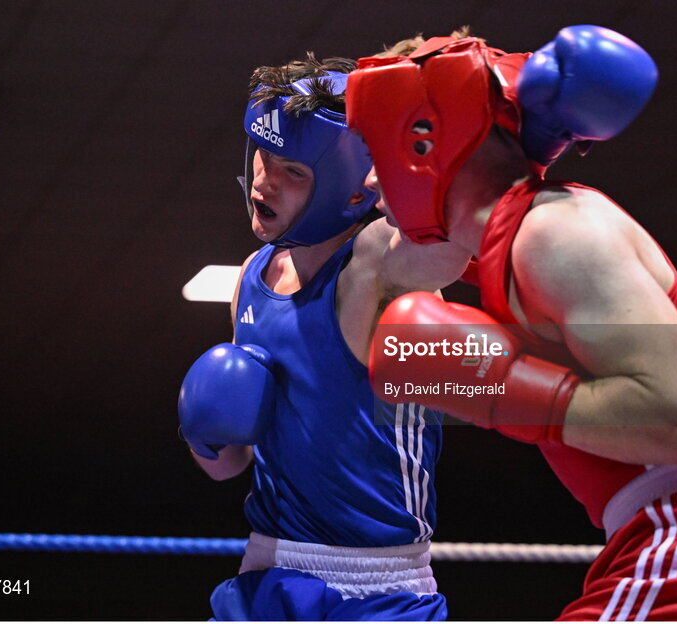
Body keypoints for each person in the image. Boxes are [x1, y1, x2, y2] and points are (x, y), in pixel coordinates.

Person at [348, 26, 677, 621]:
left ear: (423, 144)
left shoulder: (556, 234)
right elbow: (386, 294)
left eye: (377, 154)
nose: (372, 181)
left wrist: (501, 389)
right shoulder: (516, 240)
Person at [177, 52, 470, 621]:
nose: (265, 181)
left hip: (378, 588)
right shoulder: (251, 278)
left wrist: (411, 163)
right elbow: (228, 465)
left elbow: (452, 249)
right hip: (265, 573)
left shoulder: (376, 271)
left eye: (294, 171)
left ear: (351, 187)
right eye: (265, 155)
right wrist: (202, 432)